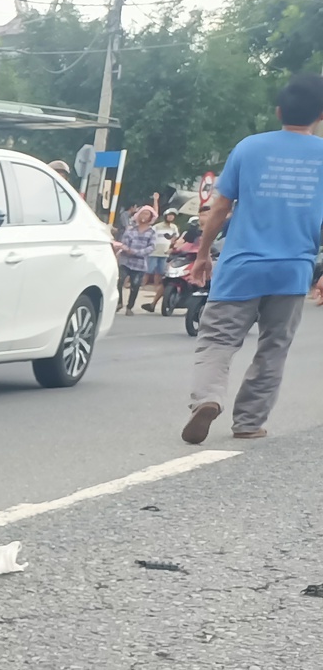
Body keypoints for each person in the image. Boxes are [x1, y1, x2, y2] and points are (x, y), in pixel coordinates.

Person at [183, 74, 323, 443]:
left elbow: (220, 208)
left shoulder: (249, 148)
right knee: (274, 347)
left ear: (278, 111)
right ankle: (248, 422)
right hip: (293, 269)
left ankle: (208, 398)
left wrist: (202, 254)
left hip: (241, 265)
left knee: (217, 340)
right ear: (321, 115)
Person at [114, 205, 161, 313]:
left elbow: (151, 247)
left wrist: (136, 252)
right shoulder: (130, 229)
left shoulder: (152, 232)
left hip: (140, 263)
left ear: (151, 217)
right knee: (120, 281)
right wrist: (125, 248)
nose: (144, 216)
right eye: (142, 213)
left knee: (135, 286)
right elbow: (124, 242)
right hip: (126, 260)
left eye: (147, 214)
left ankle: (129, 307)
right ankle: (119, 303)